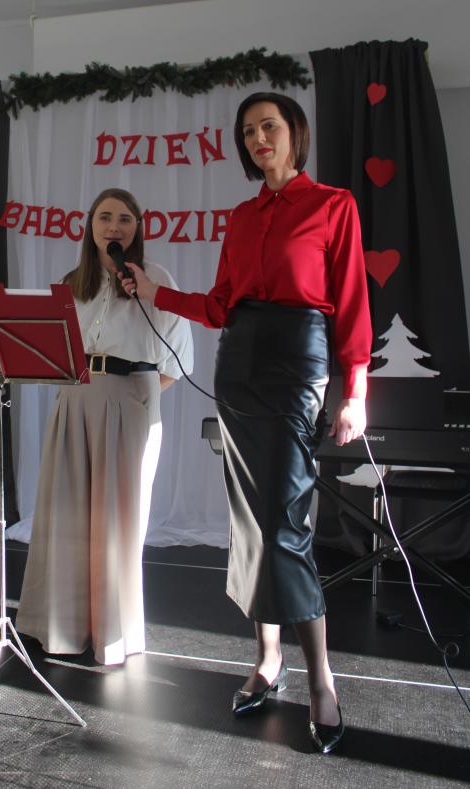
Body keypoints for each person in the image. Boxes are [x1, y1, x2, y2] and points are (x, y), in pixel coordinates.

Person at [119, 93, 371, 753]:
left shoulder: (334, 205)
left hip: (299, 361)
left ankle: (322, 680)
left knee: (284, 521)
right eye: (249, 131)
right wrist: (155, 293)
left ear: (294, 133)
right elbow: (221, 305)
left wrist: (355, 391)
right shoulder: (241, 215)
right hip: (239, 367)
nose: (260, 138)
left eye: (270, 126)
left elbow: (351, 302)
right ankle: (267, 659)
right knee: (250, 521)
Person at [15, 187, 194, 666]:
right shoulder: (70, 282)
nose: (114, 226)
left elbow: (178, 358)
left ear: (138, 227)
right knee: (67, 513)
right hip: (74, 399)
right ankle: (62, 624)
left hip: (129, 399)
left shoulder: (155, 278)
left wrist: (135, 398)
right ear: (90, 225)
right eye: (105, 217)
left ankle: (113, 632)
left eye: (125, 219)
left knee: (118, 521)